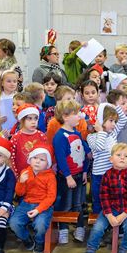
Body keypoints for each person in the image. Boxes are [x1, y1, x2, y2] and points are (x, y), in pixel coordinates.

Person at [82, 143, 127, 253]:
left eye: (126, 156)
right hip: (109, 210)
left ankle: (123, 251)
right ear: (111, 159)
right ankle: (90, 250)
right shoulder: (107, 175)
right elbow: (104, 196)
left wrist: (123, 215)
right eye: (118, 155)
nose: (122, 158)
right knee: (97, 228)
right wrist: (109, 215)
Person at [53, 100, 90, 244]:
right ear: (65, 116)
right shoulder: (60, 136)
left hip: (80, 175)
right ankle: (63, 230)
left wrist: (85, 171)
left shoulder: (77, 133)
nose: (79, 116)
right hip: (67, 177)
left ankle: (79, 228)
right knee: (66, 205)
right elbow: (61, 159)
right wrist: (68, 176)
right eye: (76, 114)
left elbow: (83, 152)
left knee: (79, 204)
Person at [9, 143, 57, 253]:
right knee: (14, 223)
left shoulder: (50, 176)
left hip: (43, 205)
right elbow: (20, 193)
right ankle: (26, 239)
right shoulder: (25, 172)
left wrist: (38, 209)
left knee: (40, 224)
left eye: (42, 159)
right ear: (30, 159)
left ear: (48, 164)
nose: (37, 161)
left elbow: (51, 197)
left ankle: (39, 241)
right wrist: (21, 182)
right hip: (26, 203)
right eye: (35, 158)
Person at [88, 103, 127, 214]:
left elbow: (123, 119)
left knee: (113, 202)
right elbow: (99, 147)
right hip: (99, 177)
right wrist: (100, 131)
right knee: (99, 203)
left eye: (114, 121)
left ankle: (111, 227)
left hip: (113, 175)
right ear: (101, 120)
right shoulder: (91, 137)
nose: (114, 124)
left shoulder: (113, 134)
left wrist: (112, 105)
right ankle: (99, 228)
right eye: (111, 121)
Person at [10, 104, 48, 177]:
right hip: (22, 176)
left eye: (35, 118)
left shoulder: (42, 136)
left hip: (39, 176)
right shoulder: (15, 138)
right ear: (21, 120)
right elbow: (12, 159)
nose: (33, 122)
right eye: (29, 119)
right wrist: (16, 175)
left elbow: (46, 156)